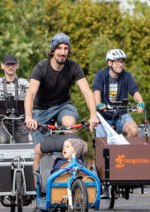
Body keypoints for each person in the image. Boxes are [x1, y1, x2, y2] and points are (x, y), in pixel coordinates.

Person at [24, 33, 99, 171]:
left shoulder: (74, 67)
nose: (63, 52)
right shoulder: (41, 68)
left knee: (70, 124)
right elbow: (31, 93)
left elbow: (87, 92)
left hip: (63, 106)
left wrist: (93, 115)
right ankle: (38, 191)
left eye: (66, 48)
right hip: (41, 110)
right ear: (53, 50)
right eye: (59, 48)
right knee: (40, 151)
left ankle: (73, 177)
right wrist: (29, 117)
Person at [92, 49, 145, 137]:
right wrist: (98, 104)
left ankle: (124, 149)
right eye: (117, 62)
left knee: (133, 130)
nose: (120, 65)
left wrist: (140, 102)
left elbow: (135, 91)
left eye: (122, 62)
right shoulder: (101, 75)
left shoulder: (127, 76)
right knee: (101, 143)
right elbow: (97, 91)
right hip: (103, 115)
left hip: (121, 115)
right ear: (109, 63)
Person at [33, 137, 87, 212]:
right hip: (59, 188)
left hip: (78, 190)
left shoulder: (81, 162)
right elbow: (54, 174)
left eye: (67, 147)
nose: (64, 148)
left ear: (75, 151)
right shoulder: (60, 162)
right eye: (63, 147)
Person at [0, 55, 29, 143]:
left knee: (24, 145)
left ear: (17, 66)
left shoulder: (24, 83)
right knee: (2, 141)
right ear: (2, 66)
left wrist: (31, 116)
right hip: (1, 120)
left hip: (20, 120)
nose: (10, 67)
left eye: (13, 64)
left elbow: (32, 98)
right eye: (7, 64)